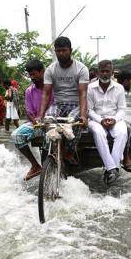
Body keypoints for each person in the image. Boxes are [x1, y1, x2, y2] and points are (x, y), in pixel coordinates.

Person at [38, 36, 89, 165]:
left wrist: (83, 116)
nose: (61, 53)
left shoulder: (81, 69)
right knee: (48, 119)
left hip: (76, 104)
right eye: (58, 51)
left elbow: (83, 93)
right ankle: (55, 148)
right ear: (55, 51)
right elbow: (46, 93)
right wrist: (40, 115)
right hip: (59, 103)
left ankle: (69, 152)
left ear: (70, 50)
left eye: (64, 50)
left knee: (73, 120)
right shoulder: (50, 69)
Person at [11, 60, 54, 180]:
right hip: (35, 123)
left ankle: (46, 167)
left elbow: (57, 107)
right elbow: (29, 112)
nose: (32, 77)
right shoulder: (29, 91)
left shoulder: (52, 88)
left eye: (34, 74)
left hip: (52, 123)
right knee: (16, 135)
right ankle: (35, 166)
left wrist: (45, 120)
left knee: (49, 135)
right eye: (30, 75)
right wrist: (35, 121)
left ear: (42, 72)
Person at [87, 60, 128, 185]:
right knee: (99, 133)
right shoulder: (90, 88)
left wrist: (114, 119)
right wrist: (100, 120)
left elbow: (122, 109)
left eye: (107, 71)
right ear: (98, 72)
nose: (105, 74)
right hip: (96, 119)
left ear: (112, 73)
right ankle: (112, 168)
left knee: (122, 132)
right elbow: (89, 110)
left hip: (114, 118)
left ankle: (112, 169)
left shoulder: (119, 88)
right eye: (102, 71)